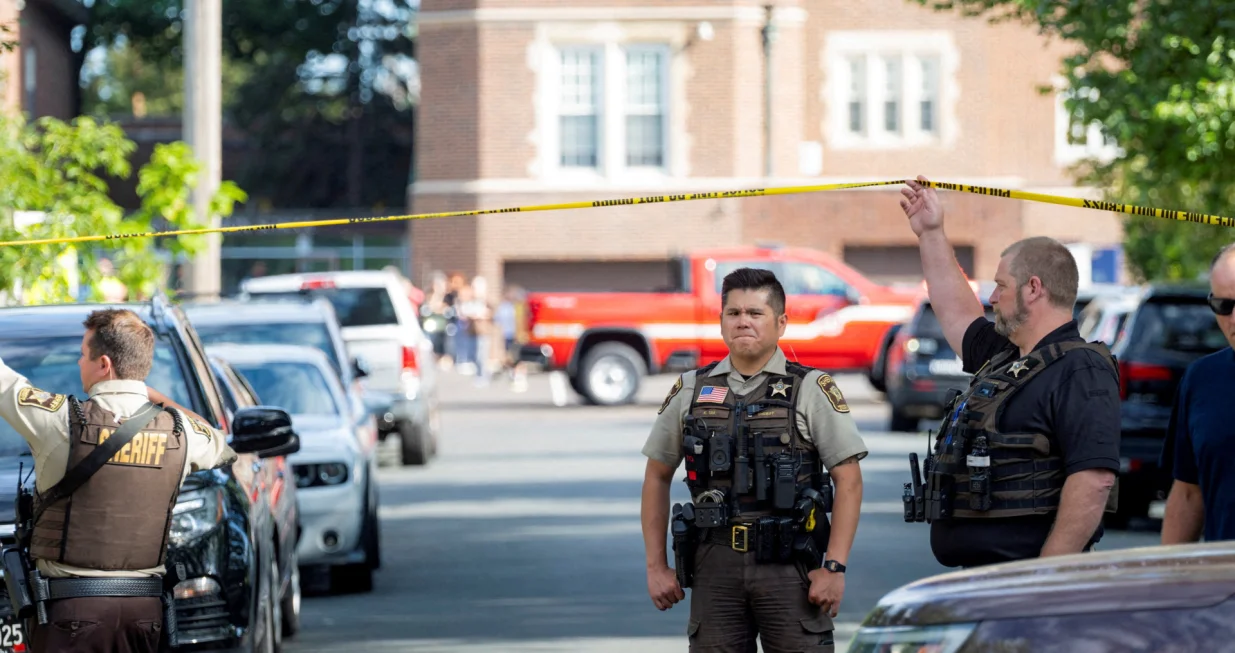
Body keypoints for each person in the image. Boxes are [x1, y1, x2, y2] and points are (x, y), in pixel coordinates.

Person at [640, 267, 867, 652]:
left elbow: (849, 480)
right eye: (734, 313)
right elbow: (657, 476)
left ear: (781, 323)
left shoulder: (810, 388)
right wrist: (656, 566)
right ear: (721, 321)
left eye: (755, 313)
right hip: (715, 564)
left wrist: (834, 567)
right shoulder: (692, 388)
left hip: (790, 565)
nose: (743, 321)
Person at [899, 175, 1120, 568]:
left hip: (1024, 580)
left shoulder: (1080, 368)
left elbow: (1093, 480)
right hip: (981, 578)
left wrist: (1045, 576)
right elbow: (956, 308)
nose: (992, 297)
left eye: (1001, 285)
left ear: (1033, 289)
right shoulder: (1006, 356)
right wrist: (930, 231)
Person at [0, 308, 237, 653]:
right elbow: (221, 444)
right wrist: (151, 396)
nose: (79, 363)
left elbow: (6, 384)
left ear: (104, 364)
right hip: (145, 617)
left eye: (83, 355)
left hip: (71, 615)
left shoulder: (61, 422)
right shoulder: (178, 431)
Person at [1160, 243, 1235, 544]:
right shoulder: (1202, 379)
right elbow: (1189, 493)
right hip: (1224, 583)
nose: (1233, 319)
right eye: (1224, 306)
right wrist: (1167, 579)